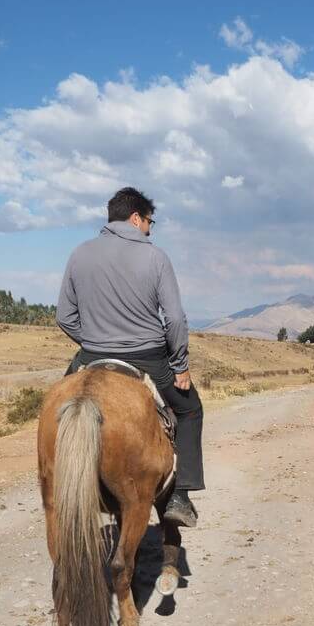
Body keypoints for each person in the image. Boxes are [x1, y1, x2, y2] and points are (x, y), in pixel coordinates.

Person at [56, 187, 204, 527]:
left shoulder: (80, 254)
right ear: (136, 218)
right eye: (150, 222)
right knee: (190, 409)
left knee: (59, 406)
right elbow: (176, 319)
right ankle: (180, 495)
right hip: (147, 357)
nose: (150, 230)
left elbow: (64, 316)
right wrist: (180, 365)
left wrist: (94, 340)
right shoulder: (155, 257)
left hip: (91, 353)